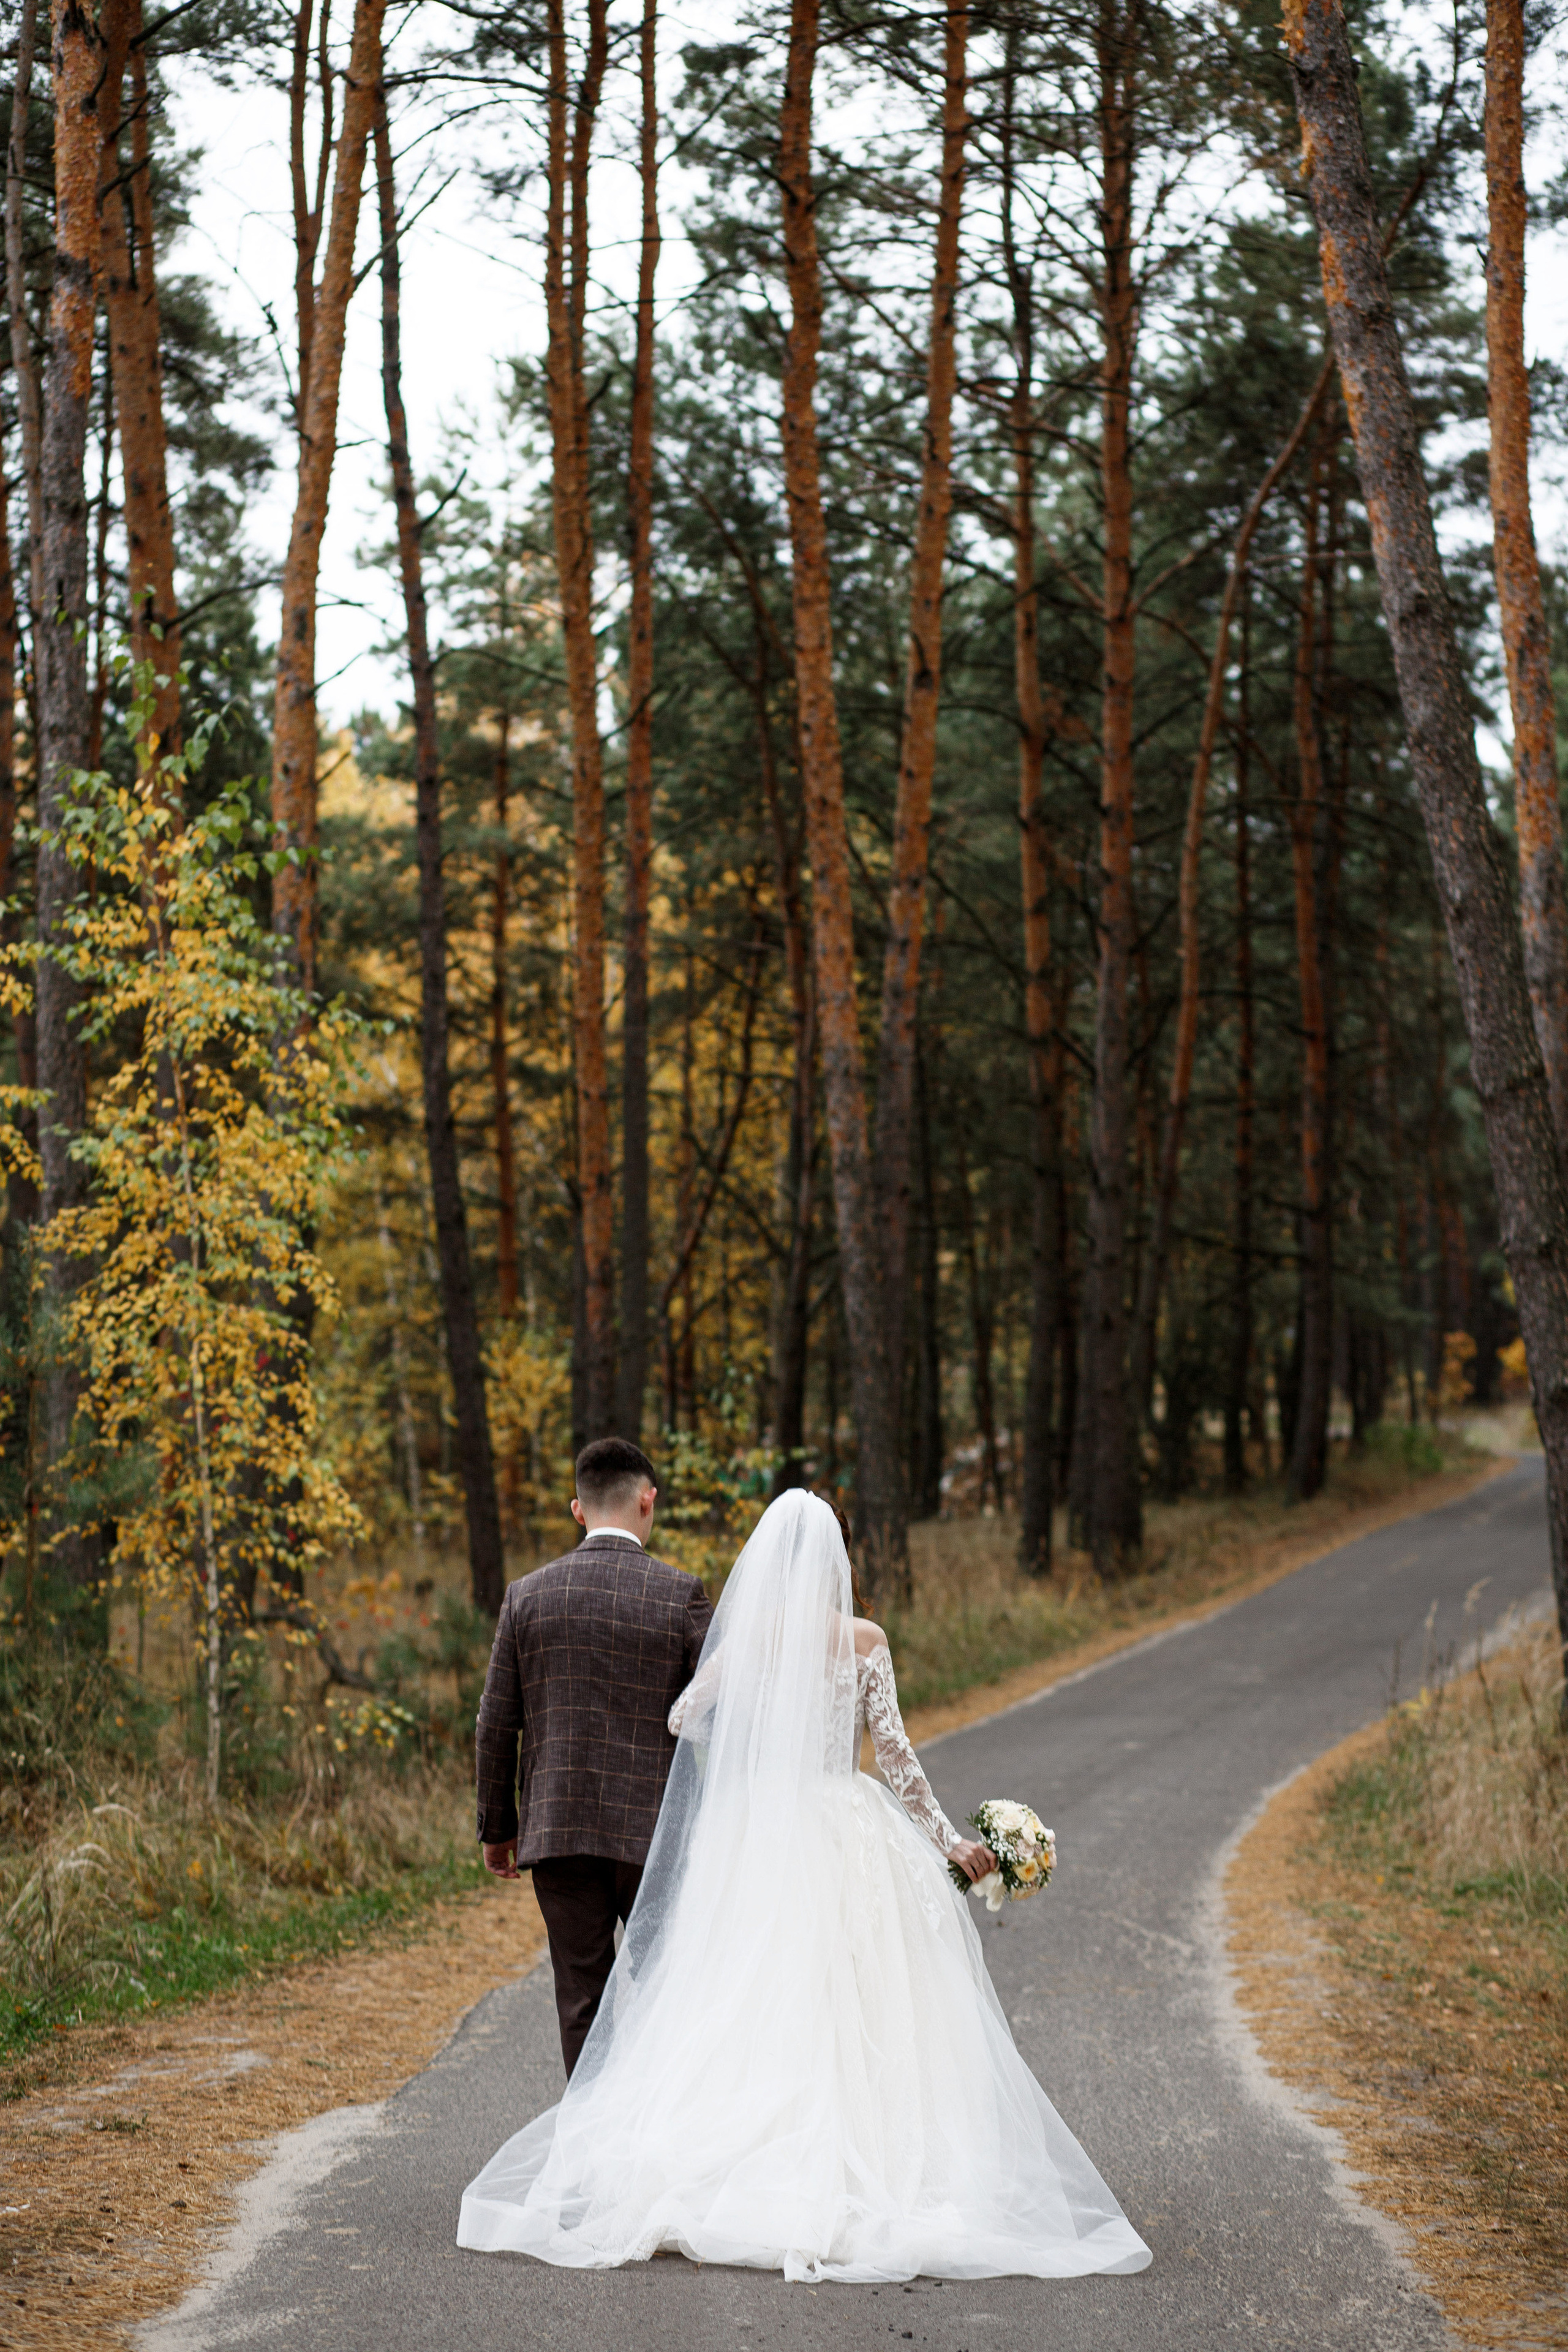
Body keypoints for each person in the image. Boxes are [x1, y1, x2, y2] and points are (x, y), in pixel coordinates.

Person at [459, 1487, 1151, 2285]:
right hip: (843, 1822)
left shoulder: (747, 1643)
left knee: (750, 1991)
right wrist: (950, 1840)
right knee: (861, 1994)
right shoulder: (864, 1641)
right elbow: (896, 1760)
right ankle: (879, 2163)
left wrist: (752, 1757)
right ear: (837, 1562)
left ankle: (731, 2158)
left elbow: (684, 1717)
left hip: (761, 1830)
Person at [473, 1435, 713, 2075]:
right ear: (648, 1499)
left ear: (577, 1509)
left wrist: (498, 1829)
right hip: (658, 1836)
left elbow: (496, 1723)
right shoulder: (681, 1595)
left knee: (582, 2000)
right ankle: (658, 2144)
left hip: (559, 1829)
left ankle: (588, 2155)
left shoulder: (527, 1596)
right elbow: (719, 1716)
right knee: (668, 1995)